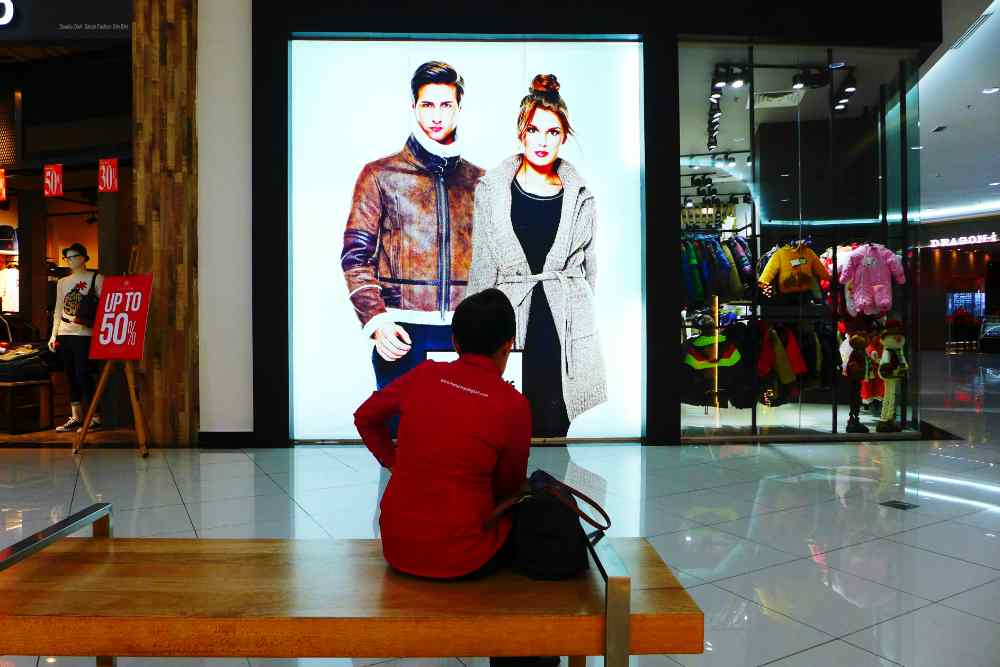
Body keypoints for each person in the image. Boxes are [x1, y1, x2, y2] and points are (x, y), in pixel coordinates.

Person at [354, 289, 556, 667]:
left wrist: (395, 463)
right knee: (539, 540)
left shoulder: (424, 376)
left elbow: (365, 417)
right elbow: (508, 488)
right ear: (509, 345)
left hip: (397, 545)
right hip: (463, 556)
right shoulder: (513, 404)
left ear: (454, 341)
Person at [468, 74, 607, 438]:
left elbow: (589, 271)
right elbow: (481, 264)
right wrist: (470, 334)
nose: (543, 141)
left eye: (553, 132)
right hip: (509, 316)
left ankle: (552, 494)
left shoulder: (581, 197)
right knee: (504, 424)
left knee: (554, 426)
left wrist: (580, 317)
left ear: (564, 136)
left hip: (562, 320)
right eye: (534, 130)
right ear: (520, 133)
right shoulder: (493, 191)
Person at [341, 61, 485, 400]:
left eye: (446, 105)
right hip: (402, 333)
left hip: (464, 332)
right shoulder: (380, 175)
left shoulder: (480, 182)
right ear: (413, 107)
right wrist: (376, 322)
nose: (437, 115)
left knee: (463, 441)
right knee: (403, 441)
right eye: (427, 105)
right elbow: (355, 257)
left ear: (459, 109)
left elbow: (495, 262)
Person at [48, 243, 104, 432]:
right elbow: (58, 309)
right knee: (70, 374)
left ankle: (95, 416)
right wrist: (53, 334)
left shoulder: (96, 278)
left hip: (84, 334)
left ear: (82, 258)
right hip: (65, 333)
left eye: (72, 257)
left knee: (84, 373)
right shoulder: (63, 282)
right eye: (67, 258)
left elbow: (105, 308)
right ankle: (76, 416)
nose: (69, 261)